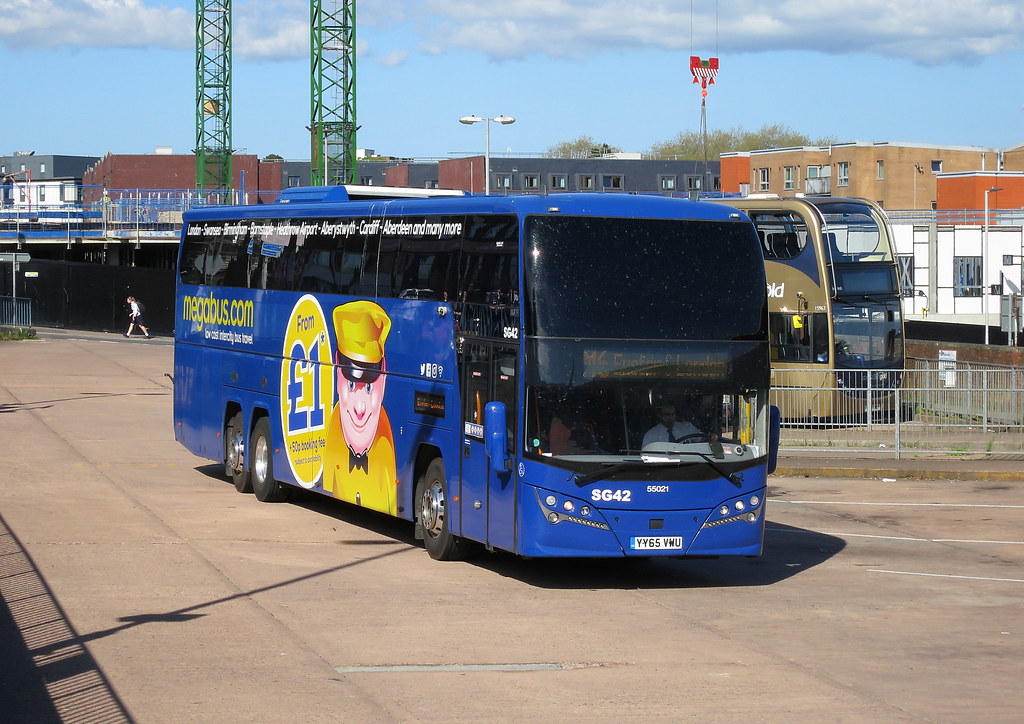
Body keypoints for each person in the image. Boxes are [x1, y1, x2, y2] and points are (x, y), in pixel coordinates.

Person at [322, 300, 398, 515]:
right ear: (337, 370)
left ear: (383, 378)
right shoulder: (333, 431)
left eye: (368, 389)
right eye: (352, 384)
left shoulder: (387, 444)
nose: (360, 409)